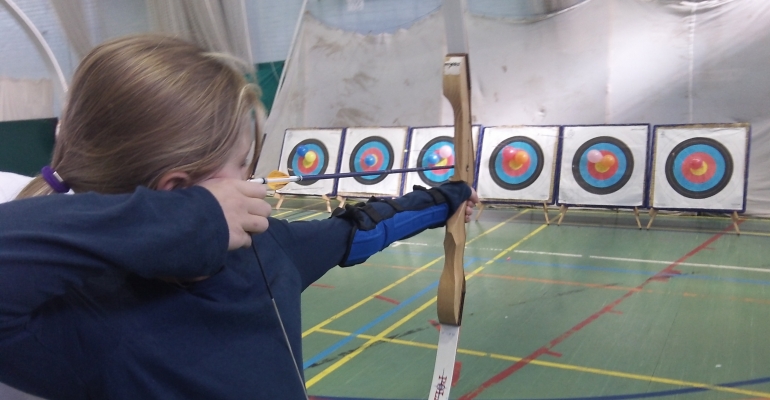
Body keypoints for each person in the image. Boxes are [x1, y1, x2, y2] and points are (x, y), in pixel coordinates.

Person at [0, 34, 478, 399]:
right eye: (243, 162)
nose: (253, 176)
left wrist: (447, 198)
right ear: (179, 192)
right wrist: (191, 220)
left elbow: (361, 230)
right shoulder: (83, 317)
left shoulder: (270, 249)